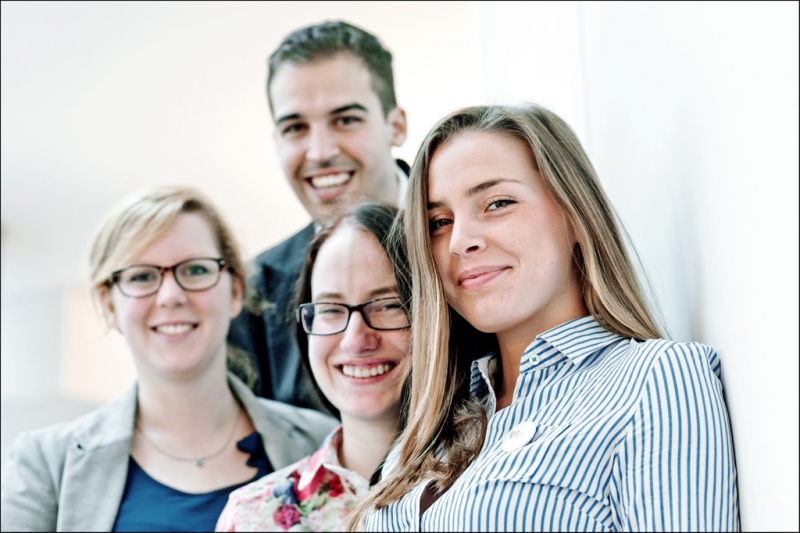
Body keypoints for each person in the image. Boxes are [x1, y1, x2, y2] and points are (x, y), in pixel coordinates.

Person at [348, 104, 740, 531]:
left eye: (497, 202)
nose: (459, 241)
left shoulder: (657, 379)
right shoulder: (428, 434)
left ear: (573, 212)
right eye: (439, 222)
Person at [0, 186, 337, 532]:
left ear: (235, 290)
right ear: (109, 305)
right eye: (142, 276)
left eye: (195, 270)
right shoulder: (45, 463)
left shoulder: (324, 444)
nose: (171, 295)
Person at [227, 20, 409, 414]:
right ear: (276, 142)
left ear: (395, 125)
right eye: (295, 128)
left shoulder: (471, 247)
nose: (320, 151)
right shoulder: (253, 293)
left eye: (345, 120)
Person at [216, 203, 411, 531]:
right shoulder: (254, 517)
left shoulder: (493, 481)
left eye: (389, 305)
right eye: (330, 309)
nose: (355, 340)